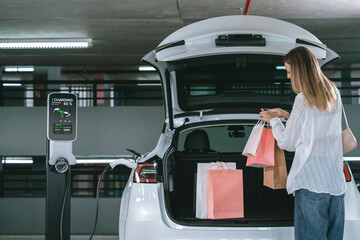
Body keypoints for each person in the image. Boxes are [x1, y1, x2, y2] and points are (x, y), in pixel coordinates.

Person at [260, 46, 346, 240]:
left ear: (300, 71)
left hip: (311, 183)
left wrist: (273, 121)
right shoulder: (333, 91)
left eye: (289, 72)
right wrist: (286, 115)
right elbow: (316, 125)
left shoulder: (302, 99)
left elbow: (287, 142)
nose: (288, 77)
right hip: (335, 184)